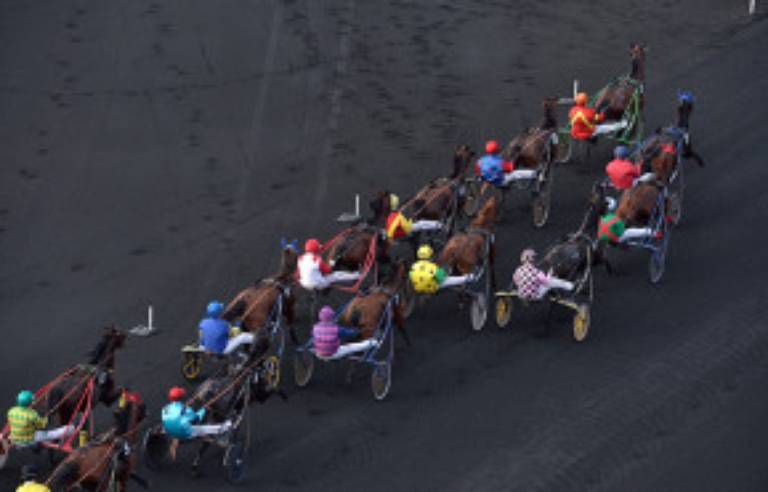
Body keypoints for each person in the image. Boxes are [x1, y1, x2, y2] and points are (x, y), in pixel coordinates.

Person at [6, 390, 74, 448]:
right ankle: (71, 429)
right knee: (51, 434)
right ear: (29, 403)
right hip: (28, 440)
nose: (34, 402)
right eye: (32, 401)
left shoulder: (11, 411)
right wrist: (46, 418)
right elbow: (42, 425)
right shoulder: (32, 415)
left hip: (15, 438)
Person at [161, 387, 232, 440]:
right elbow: (196, 418)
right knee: (204, 429)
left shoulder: (164, 409)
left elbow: (176, 414)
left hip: (169, 432)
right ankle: (224, 428)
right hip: (183, 434)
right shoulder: (186, 410)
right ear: (181, 398)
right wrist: (203, 409)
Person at [408, 244, 473, 294]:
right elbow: (441, 278)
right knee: (454, 280)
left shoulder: (414, 265)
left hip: (417, 288)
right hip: (432, 287)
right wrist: (445, 271)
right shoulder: (433, 267)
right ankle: (471, 278)